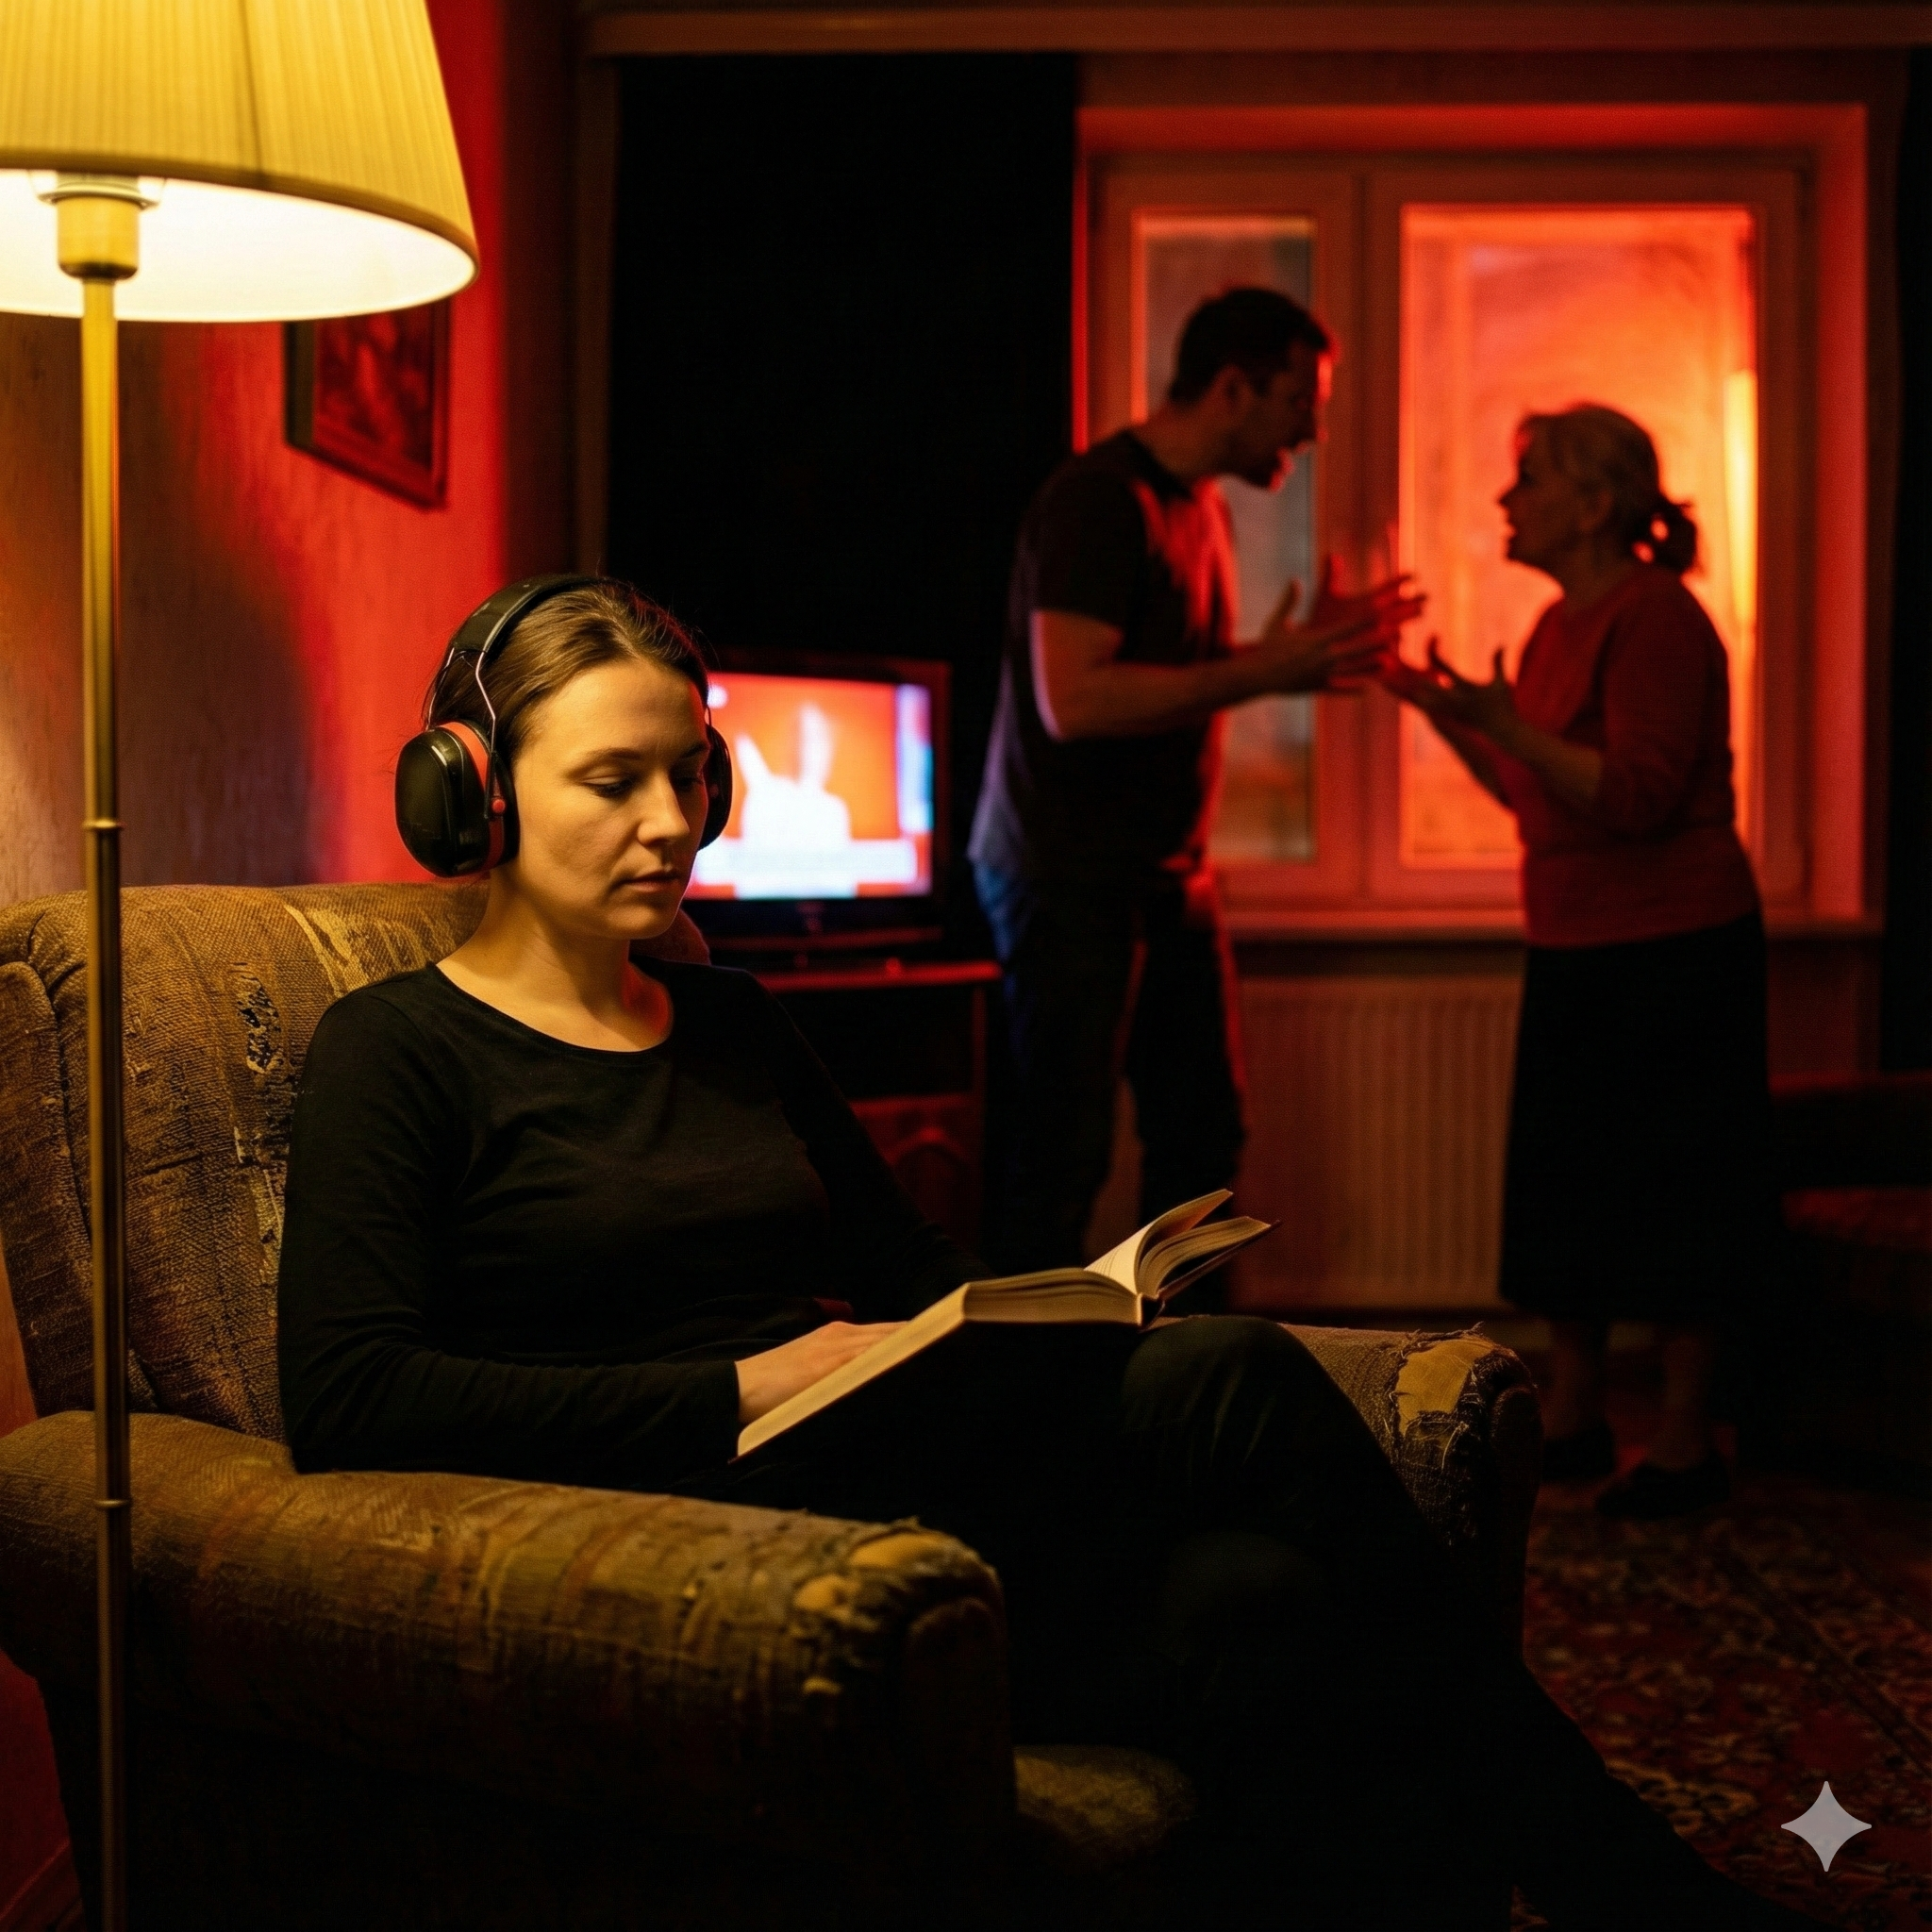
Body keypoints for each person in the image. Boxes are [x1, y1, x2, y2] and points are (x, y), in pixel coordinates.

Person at [279, 579, 1821, 1929]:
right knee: (1227, 1376)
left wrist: (1041, 1313)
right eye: (612, 781)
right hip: (689, 1524)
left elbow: (910, 1267)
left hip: (877, 1463)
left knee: (1258, 1595)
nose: (673, 822)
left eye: (689, 774)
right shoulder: (397, 1050)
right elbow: (352, 1396)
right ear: (474, 794)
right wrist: (742, 1385)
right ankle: (1641, 1891)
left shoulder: (735, 1019)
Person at [968, 287, 1421, 1275]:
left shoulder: (1200, 507)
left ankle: (1180, 1361)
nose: (1311, 430)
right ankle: (1021, 1371)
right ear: (1231, 389)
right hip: (1064, 873)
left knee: (1201, 1140)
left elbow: (1172, 679)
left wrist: (1284, 654)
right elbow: (1073, 700)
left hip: (1164, 874)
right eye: (1298, 401)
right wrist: (1268, 668)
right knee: (1061, 1156)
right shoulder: (1099, 500)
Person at [1381, 404, 1776, 1520]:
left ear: (1595, 503)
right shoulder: (1557, 621)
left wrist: (1505, 725)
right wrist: (1445, 712)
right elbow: (1535, 795)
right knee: (1570, 1185)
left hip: (1673, 945)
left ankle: (1683, 1441)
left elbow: (1636, 795)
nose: (1506, 499)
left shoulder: (1655, 615)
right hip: (1572, 937)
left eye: (1530, 479)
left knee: (1678, 1190)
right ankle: (1573, 1413)